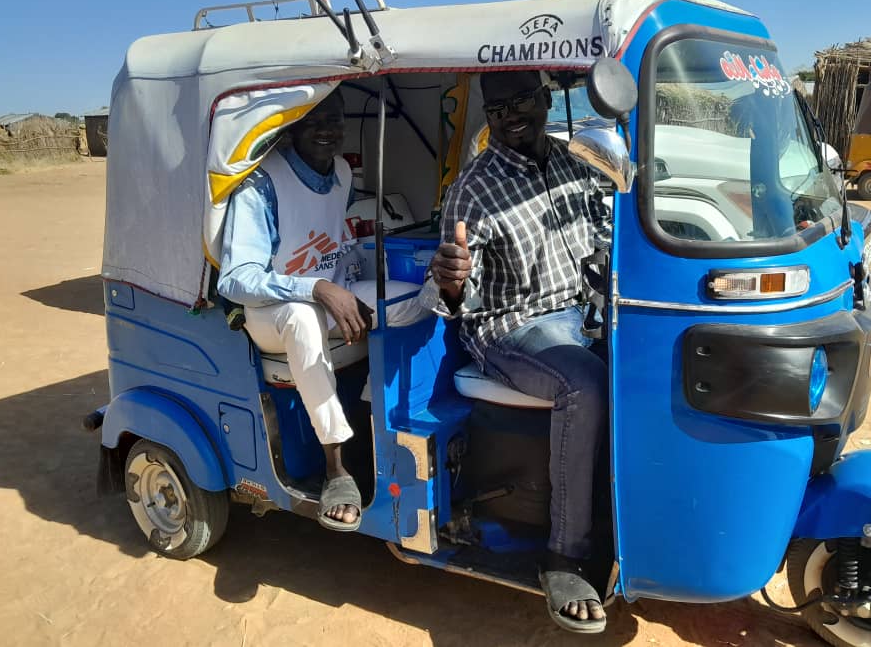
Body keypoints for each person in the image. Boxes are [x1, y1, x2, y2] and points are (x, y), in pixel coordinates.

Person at [421, 70, 611, 633]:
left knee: (643, 367)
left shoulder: (575, 163)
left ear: (548, 99)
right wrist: (451, 281)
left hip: (577, 313)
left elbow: (603, 236)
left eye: (521, 101)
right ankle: (563, 556)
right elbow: (450, 291)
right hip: (509, 327)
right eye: (497, 108)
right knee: (586, 385)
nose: (509, 116)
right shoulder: (473, 189)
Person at [217, 88, 424, 532]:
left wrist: (345, 287)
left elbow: (335, 241)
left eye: (332, 119)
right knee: (303, 317)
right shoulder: (261, 184)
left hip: (331, 291)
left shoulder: (343, 172)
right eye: (312, 121)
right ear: (290, 128)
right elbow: (235, 279)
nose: (325, 130)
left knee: (416, 299)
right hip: (271, 312)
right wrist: (318, 288)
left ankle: (373, 411)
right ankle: (336, 468)